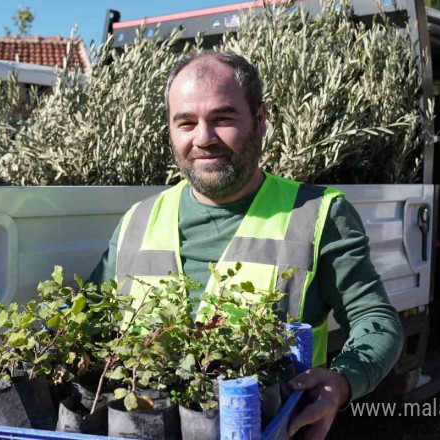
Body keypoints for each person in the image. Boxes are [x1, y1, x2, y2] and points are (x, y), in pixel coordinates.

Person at [88, 51, 404, 440]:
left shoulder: (318, 215)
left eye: (222, 119)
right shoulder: (136, 222)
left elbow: (376, 321)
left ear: (260, 119)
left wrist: (341, 381)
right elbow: (88, 325)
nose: (203, 139)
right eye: (186, 122)